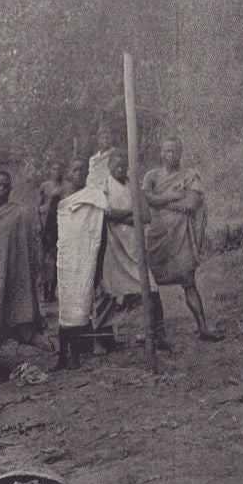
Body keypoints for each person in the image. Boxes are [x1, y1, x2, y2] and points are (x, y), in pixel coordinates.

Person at [142, 136, 222, 341]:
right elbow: (147, 199)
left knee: (188, 281)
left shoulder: (189, 175)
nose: (170, 155)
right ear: (161, 153)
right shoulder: (151, 176)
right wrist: (173, 197)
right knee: (151, 284)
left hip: (180, 236)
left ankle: (203, 327)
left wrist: (163, 203)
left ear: (180, 153)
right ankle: (156, 333)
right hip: (157, 236)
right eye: (166, 151)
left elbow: (192, 204)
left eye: (174, 151)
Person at [0, 170, 44, 384]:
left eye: (6, 185)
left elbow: (26, 246)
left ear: (11, 188)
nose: (3, 189)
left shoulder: (19, 214)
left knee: (2, 324)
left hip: (10, 277)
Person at [100, 150, 168, 350]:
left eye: (123, 165)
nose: (120, 169)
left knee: (151, 287)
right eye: (116, 165)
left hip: (135, 245)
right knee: (112, 290)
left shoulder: (133, 186)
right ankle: (105, 337)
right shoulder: (105, 188)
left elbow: (146, 216)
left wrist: (123, 215)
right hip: (116, 247)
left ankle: (158, 333)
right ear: (109, 166)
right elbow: (106, 215)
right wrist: (132, 214)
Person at [52, 157, 107, 370]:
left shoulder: (92, 197)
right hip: (65, 255)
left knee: (81, 306)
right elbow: (49, 225)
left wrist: (96, 261)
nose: (79, 173)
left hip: (85, 257)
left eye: (82, 170)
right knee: (65, 308)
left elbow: (98, 228)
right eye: (75, 169)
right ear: (68, 172)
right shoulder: (59, 196)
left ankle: (75, 356)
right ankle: (61, 357)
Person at [37, 161, 67, 301]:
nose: (57, 172)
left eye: (59, 169)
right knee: (43, 259)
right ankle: (44, 289)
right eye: (54, 169)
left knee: (57, 258)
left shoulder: (66, 187)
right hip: (44, 225)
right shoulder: (45, 186)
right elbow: (38, 206)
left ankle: (52, 290)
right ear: (50, 171)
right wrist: (39, 224)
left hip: (58, 225)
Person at [87, 124, 115, 192]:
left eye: (107, 138)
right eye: (102, 138)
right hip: (94, 187)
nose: (105, 140)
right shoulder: (94, 159)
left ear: (111, 139)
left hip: (111, 187)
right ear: (99, 141)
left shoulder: (115, 154)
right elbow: (92, 175)